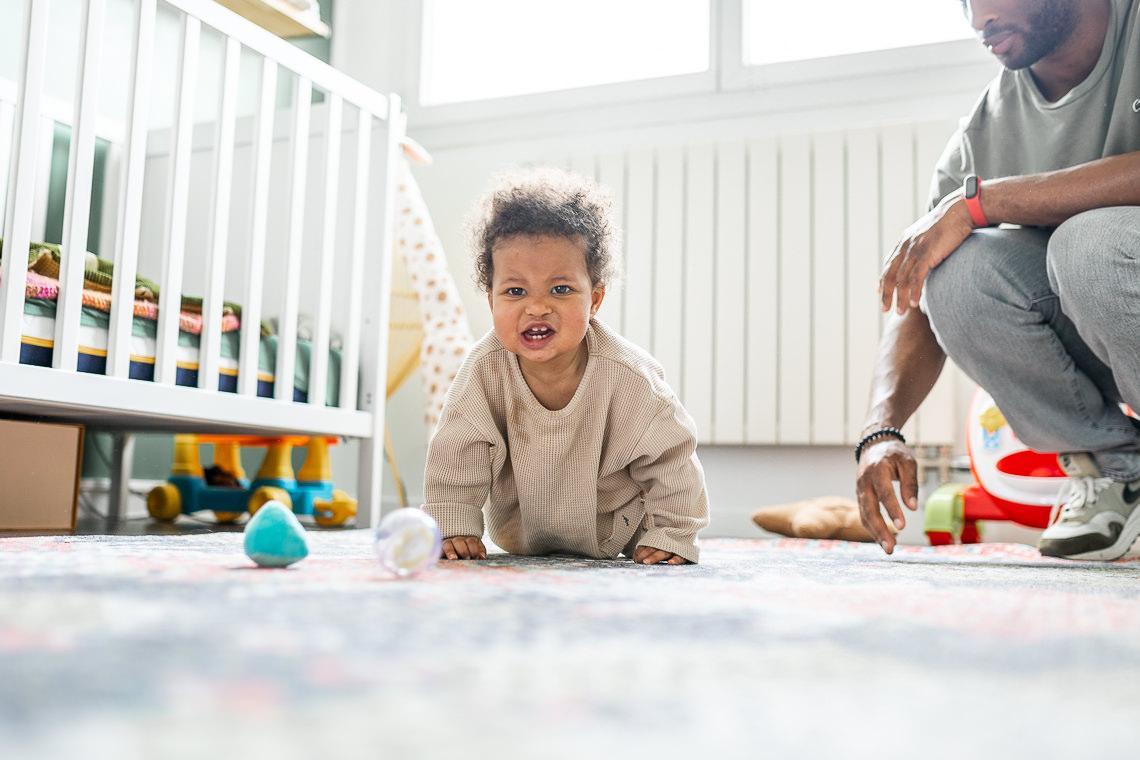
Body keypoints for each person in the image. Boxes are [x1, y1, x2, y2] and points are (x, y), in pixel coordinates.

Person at [855, 0, 1140, 560]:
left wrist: (985, 202)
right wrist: (879, 431)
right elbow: (918, 290)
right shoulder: (988, 126)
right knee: (956, 272)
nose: (976, 19)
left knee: (1088, 244)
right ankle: (1116, 468)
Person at [423, 168, 709, 564]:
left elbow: (671, 457)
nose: (537, 306)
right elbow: (457, 453)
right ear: (491, 301)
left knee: (657, 506)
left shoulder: (629, 377)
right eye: (515, 291)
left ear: (594, 300)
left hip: (619, 528)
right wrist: (453, 526)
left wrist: (673, 533)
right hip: (521, 532)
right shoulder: (483, 372)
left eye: (560, 289)